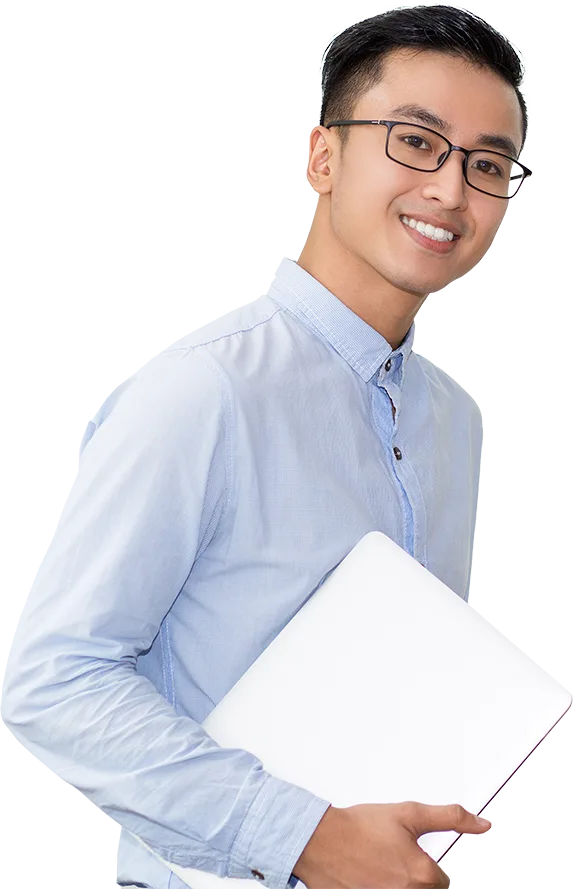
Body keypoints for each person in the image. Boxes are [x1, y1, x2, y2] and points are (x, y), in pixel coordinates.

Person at [3, 4, 529, 888]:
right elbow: (53, 676)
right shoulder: (204, 388)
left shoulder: (452, 419)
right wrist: (304, 834)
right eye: (415, 142)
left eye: (488, 164)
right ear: (322, 156)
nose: (449, 189)